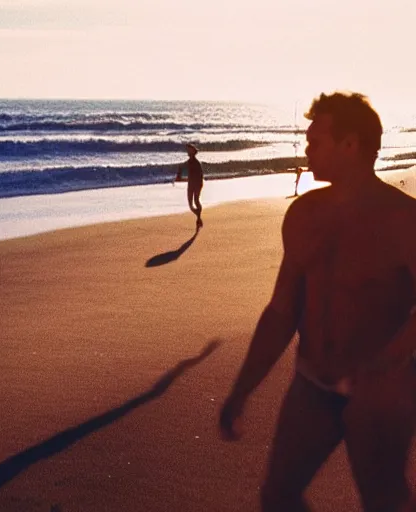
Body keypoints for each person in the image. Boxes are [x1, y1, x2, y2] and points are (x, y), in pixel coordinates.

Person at [219, 91, 416, 512]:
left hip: (380, 396)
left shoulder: (403, 219)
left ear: (351, 145)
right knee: (278, 496)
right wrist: (241, 389)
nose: (305, 149)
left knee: (384, 501)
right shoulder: (304, 215)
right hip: (312, 386)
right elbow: (281, 311)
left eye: (315, 142)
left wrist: (391, 361)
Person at [174, 143, 204, 229]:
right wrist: (178, 176)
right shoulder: (189, 162)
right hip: (191, 185)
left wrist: (199, 185)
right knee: (191, 205)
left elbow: (200, 175)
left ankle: (198, 219)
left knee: (196, 201)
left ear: (192, 152)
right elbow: (181, 167)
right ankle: (199, 218)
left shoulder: (196, 163)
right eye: (187, 150)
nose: (187, 152)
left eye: (189, 150)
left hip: (197, 185)